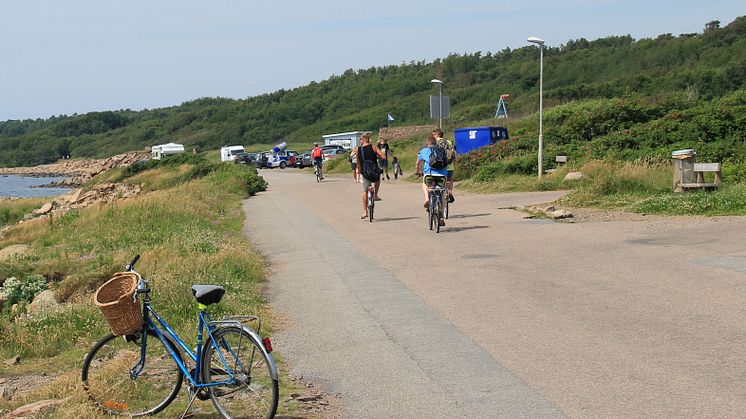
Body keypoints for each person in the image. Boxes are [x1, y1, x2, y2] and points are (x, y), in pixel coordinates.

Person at [415, 135, 448, 226]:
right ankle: (441, 216)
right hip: (442, 175)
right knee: (442, 192)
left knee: (425, 183)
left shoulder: (424, 151)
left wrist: (417, 172)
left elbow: (417, 163)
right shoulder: (441, 150)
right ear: (435, 143)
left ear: (427, 143)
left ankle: (427, 198)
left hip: (429, 175)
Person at [356, 132, 386, 219]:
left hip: (364, 172)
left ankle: (365, 211)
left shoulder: (358, 149)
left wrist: (359, 171)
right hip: (374, 171)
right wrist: (381, 157)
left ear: (363, 139)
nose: (360, 141)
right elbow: (382, 156)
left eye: (360, 139)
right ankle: (375, 195)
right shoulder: (374, 147)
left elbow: (358, 162)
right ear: (368, 139)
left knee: (365, 190)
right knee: (377, 179)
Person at [433, 128, 455, 203]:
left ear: (437, 134)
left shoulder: (434, 142)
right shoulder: (448, 141)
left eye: (434, 134)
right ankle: (450, 192)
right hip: (450, 164)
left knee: (440, 181)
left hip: (440, 165)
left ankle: (442, 196)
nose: (433, 136)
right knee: (450, 179)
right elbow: (452, 152)